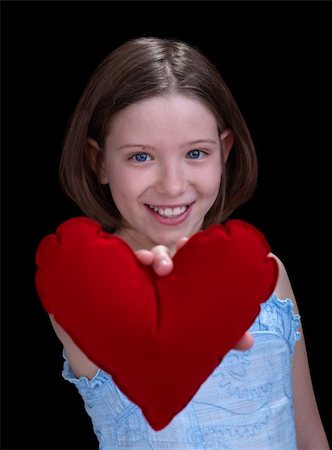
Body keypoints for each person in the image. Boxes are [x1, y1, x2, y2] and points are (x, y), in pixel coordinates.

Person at [47, 37, 329, 449]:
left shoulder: (271, 275)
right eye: (141, 157)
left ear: (224, 150)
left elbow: (309, 435)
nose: (173, 184)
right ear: (98, 162)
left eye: (196, 153)